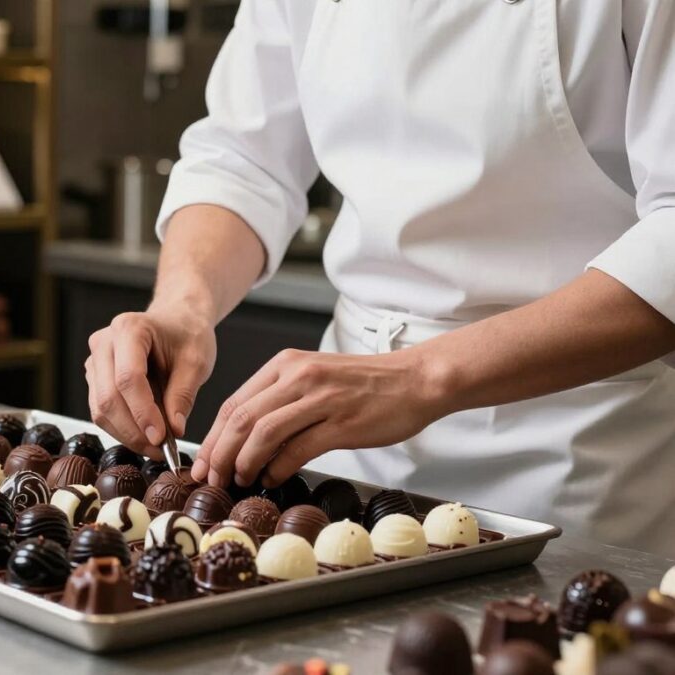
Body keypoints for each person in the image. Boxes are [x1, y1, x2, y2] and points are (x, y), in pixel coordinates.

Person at [84, 0, 675, 556]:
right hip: (349, 459)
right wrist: (182, 307)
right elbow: (244, 160)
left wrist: (419, 377)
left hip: (575, 451)